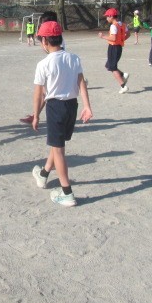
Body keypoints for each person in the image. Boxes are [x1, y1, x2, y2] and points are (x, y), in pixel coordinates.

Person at [30, 20, 93, 207]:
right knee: (57, 143)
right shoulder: (74, 58)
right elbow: (81, 83)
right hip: (72, 106)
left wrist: (36, 115)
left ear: (44, 41)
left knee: (58, 150)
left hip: (55, 107)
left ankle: (67, 193)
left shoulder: (43, 64)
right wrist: (87, 106)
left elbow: (39, 94)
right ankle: (43, 174)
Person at [20, 11, 63, 125]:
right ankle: (35, 115)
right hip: (55, 66)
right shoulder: (55, 35)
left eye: (43, 22)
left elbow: (58, 53)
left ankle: (35, 116)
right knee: (45, 93)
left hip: (56, 68)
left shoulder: (55, 38)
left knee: (45, 93)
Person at [98, 7, 130, 94]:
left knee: (112, 67)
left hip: (113, 47)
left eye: (107, 16)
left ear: (111, 16)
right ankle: (123, 75)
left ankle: (123, 86)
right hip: (119, 47)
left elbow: (113, 38)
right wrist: (122, 39)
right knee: (108, 65)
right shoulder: (122, 24)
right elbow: (128, 34)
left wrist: (103, 36)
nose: (106, 18)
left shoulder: (113, 26)